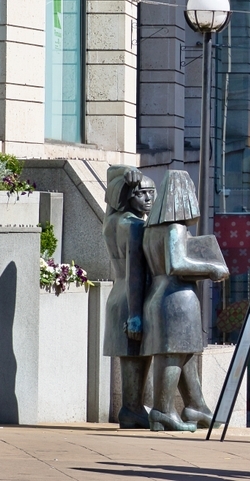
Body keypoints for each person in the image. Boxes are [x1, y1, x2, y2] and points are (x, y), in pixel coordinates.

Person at [141, 170, 230, 431]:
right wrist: (211, 269)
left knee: (185, 354)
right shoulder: (175, 227)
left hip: (159, 294)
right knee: (172, 356)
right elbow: (177, 263)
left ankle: (196, 406)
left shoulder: (150, 230)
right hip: (177, 297)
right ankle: (162, 410)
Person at [102, 165, 156, 428]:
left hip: (117, 294)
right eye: (141, 194)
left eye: (152, 193)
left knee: (132, 356)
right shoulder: (134, 226)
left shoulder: (111, 220)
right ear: (127, 197)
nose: (149, 200)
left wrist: (125, 173)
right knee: (136, 354)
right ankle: (132, 408)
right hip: (132, 297)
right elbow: (136, 270)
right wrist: (136, 314)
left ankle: (132, 407)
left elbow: (111, 176)